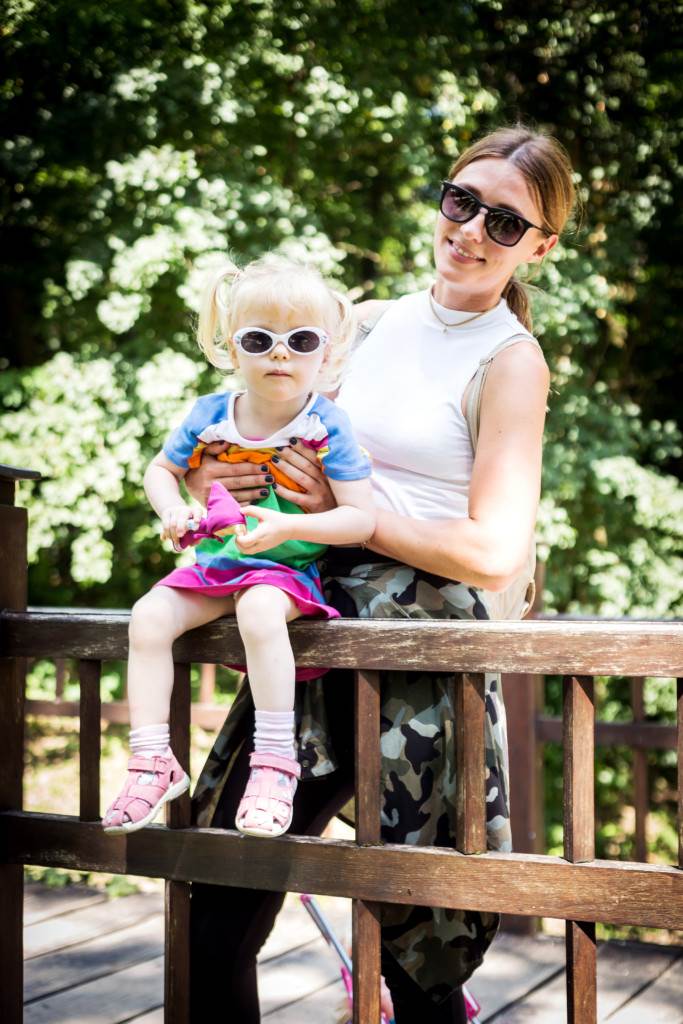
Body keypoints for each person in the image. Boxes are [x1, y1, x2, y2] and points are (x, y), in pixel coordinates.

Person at [185, 125, 576, 1022]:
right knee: (216, 902)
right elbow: (261, 434)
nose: (470, 230)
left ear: (540, 246)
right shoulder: (357, 324)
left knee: (417, 949)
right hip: (309, 623)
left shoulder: (509, 360)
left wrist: (354, 515)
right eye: (460, 201)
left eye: (504, 222)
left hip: (419, 654)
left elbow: (495, 551)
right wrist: (225, 479)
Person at [102, 255, 375, 839]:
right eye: (259, 339)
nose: (280, 354)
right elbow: (160, 470)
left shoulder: (327, 424)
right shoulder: (210, 415)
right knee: (148, 616)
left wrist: (288, 530)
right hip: (218, 567)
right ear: (233, 347)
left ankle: (274, 764)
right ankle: (152, 760)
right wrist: (174, 509)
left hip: (284, 575)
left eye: (301, 340)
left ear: (325, 353)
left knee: (258, 609)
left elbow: (360, 518)